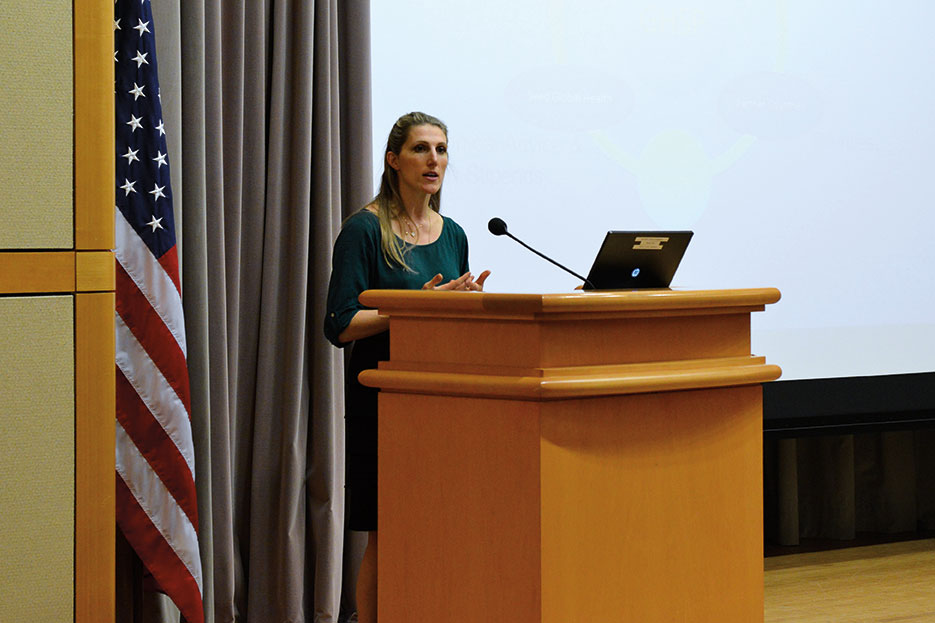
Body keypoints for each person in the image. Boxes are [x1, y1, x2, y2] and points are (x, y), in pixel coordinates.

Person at [324, 111, 490, 623]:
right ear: (394, 160)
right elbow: (340, 323)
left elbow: (448, 315)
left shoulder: (454, 233)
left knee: (436, 524)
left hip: (440, 395)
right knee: (388, 527)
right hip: (384, 398)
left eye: (441, 149)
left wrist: (465, 305)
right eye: (421, 149)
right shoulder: (363, 229)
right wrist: (412, 305)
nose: (434, 160)